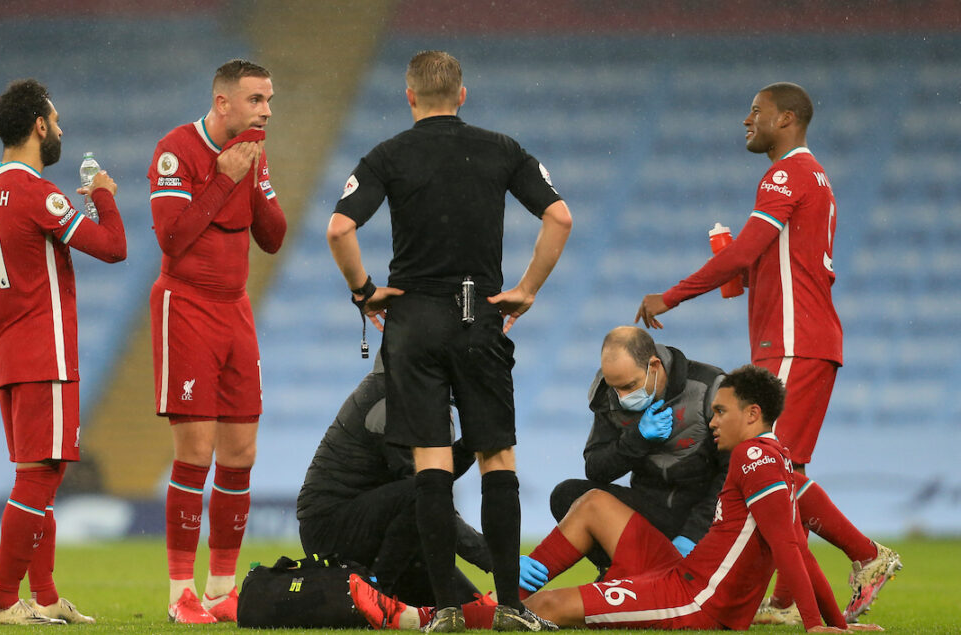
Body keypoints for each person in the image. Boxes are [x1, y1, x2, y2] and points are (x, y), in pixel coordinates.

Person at [349, 366, 885, 633]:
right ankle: (510, 583)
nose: (712, 419)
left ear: (751, 414)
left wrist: (819, 627)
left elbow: (789, 545)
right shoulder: (779, 459)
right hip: (686, 572)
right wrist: (835, 624)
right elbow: (797, 538)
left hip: (699, 601)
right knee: (591, 504)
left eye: (720, 412)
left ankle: (425, 618)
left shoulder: (753, 459)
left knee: (551, 607)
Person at [327, 50, 573, 632]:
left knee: (431, 462)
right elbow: (559, 217)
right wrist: (527, 289)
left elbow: (339, 228)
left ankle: (443, 612)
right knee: (497, 458)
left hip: (414, 319)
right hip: (478, 312)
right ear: (462, 95)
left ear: (409, 98)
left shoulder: (388, 155)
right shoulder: (502, 149)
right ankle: (511, 607)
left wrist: (365, 291)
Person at [635, 83, 899, 623]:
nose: (746, 120)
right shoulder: (814, 177)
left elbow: (750, 249)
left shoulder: (786, 174)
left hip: (794, 342)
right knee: (783, 472)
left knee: (767, 467)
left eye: (755, 112)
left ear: (787, 118)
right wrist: (736, 272)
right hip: (806, 340)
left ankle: (866, 554)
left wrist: (673, 294)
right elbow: (766, 266)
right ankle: (783, 601)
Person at [0, 78, 126, 625]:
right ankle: (2, 601)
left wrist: (0, 341)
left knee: (44, 473)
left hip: (10, 357)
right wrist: (103, 193)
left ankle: (48, 595)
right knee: (38, 477)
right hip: (46, 357)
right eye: (55, 121)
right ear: (37, 125)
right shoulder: (37, 193)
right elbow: (113, 248)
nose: (60, 129)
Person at [147, 59, 287, 623]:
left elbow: (273, 238)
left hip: (236, 310)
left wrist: (255, 179)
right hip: (186, 307)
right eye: (257, 100)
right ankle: (181, 593)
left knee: (241, 455)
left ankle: (221, 590)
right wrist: (226, 176)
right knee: (196, 454)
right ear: (223, 102)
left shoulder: (253, 155)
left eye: (270, 99)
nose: (268, 111)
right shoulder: (175, 150)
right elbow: (173, 239)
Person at [296, 357, 493, 607]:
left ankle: (378, 594)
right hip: (331, 530)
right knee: (421, 494)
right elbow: (427, 493)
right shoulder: (390, 399)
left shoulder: (415, 389)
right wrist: (492, 556)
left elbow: (433, 477)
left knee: (470, 608)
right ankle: (379, 594)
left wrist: (470, 444)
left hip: (381, 527)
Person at [546, 326, 728, 578]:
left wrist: (692, 535)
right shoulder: (607, 395)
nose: (622, 397)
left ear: (654, 365)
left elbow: (730, 473)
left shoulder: (710, 387)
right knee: (567, 495)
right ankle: (622, 570)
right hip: (649, 510)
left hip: (702, 513)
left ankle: (646, 575)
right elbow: (597, 469)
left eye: (630, 385)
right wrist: (638, 439)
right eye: (615, 388)